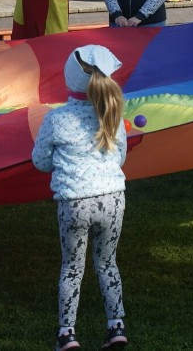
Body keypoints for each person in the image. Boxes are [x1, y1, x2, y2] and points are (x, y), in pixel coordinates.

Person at [32, 45, 129, 351]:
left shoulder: (56, 119)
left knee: (72, 267)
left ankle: (67, 334)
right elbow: (121, 158)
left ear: (69, 78)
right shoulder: (113, 115)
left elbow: (41, 162)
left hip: (74, 202)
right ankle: (116, 327)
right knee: (107, 263)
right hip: (113, 199)